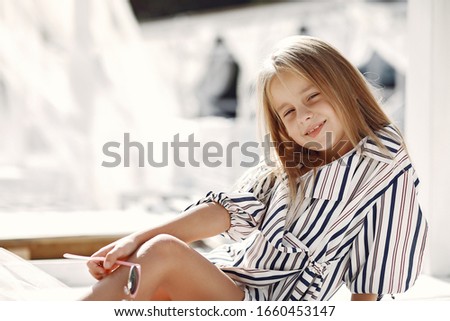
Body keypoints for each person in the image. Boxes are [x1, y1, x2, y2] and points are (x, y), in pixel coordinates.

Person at [81, 36, 428, 301]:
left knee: (163, 252)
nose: (304, 116)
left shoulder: (383, 162)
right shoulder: (290, 163)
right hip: (228, 279)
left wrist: (151, 245)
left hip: (268, 305)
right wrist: (133, 241)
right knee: (143, 273)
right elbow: (228, 211)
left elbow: (378, 269)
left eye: (313, 97)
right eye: (288, 112)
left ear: (346, 88)